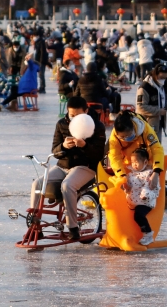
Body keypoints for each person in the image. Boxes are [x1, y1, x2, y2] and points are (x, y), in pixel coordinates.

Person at [30, 96, 106, 241]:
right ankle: (35, 226)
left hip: (86, 167)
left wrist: (84, 145)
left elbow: (98, 154)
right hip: (63, 166)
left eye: (78, 115)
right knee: (37, 184)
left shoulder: (97, 126)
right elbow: (55, 151)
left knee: (68, 185)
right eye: (72, 115)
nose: (75, 118)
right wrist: (64, 146)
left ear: (86, 111)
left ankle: (73, 227)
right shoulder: (61, 124)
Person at [124, 148, 160, 246]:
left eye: (136, 162)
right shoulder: (131, 174)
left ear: (145, 162)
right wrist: (125, 187)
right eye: (132, 162)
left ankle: (148, 234)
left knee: (138, 215)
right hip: (134, 201)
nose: (134, 164)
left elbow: (154, 189)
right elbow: (129, 186)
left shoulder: (150, 174)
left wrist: (146, 195)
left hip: (146, 202)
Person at [136, 64, 167, 137]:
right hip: (147, 124)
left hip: (158, 123)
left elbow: (165, 98)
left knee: (157, 146)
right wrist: (158, 111)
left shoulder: (163, 85)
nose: (163, 80)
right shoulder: (144, 88)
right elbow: (141, 107)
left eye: (165, 78)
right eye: (161, 77)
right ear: (155, 75)